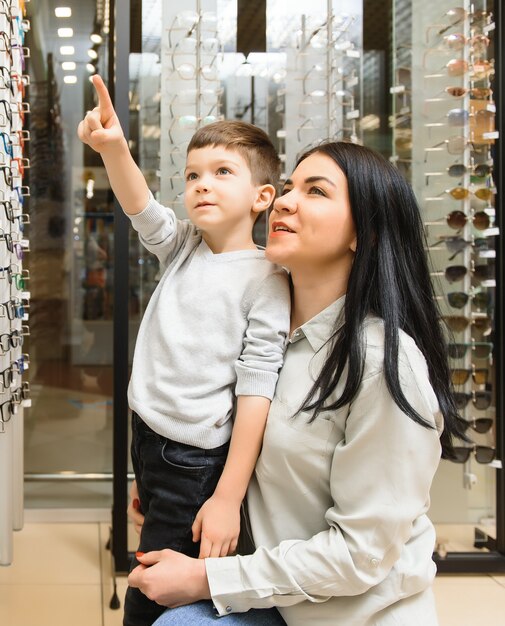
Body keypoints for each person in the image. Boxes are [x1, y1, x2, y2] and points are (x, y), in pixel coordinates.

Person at [127, 141, 468, 626]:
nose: (286, 200)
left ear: (364, 235)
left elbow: (360, 555)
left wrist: (207, 580)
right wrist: (176, 498)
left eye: (316, 192)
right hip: (275, 597)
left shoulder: (383, 366)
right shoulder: (259, 333)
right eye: (289, 187)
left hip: (348, 615)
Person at [77, 75, 290, 626]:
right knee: (155, 558)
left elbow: (257, 390)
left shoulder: (268, 278)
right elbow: (141, 207)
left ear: (262, 197)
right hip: (150, 437)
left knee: (155, 584)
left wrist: (225, 497)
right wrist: (114, 148)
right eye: (193, 174)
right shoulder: (186, 248)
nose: (202, 184)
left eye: (223, 173)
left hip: (194, 459)